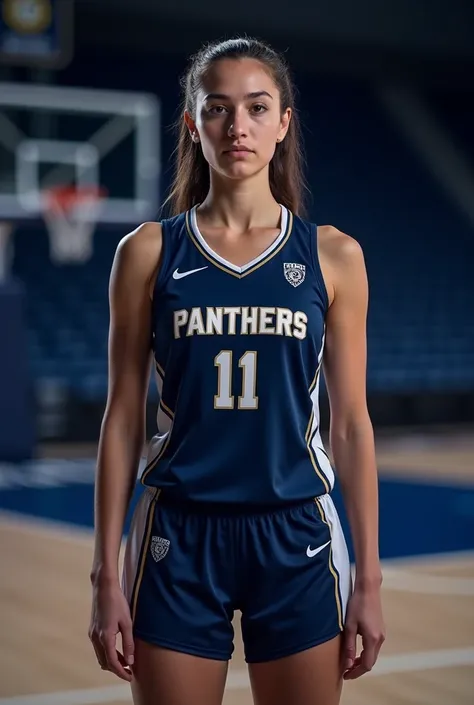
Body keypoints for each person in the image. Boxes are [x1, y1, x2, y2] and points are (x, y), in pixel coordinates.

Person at [88, 36, 385, 705]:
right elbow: (121, 418)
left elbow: (353, 426)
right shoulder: (148, 252)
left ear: (283, 124)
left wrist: (368, 577)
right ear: (193, 123)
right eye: (217, 109)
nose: (237, 126)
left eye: (256, 108)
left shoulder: (334, 256)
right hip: (179, 535)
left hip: (296, 533)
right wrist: (106, 573)